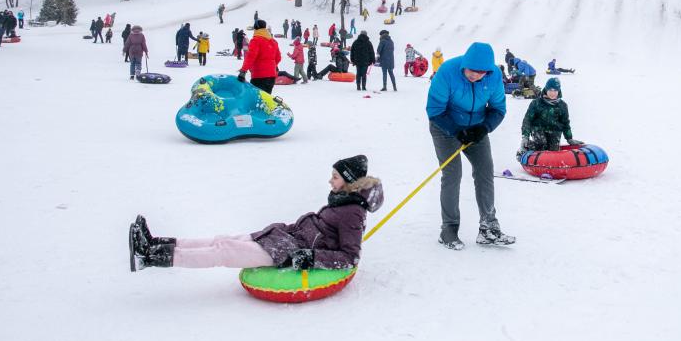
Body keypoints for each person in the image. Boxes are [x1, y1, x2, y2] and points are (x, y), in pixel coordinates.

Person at [129, 156, 383, 272]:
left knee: (223, 251)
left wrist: (311, 257)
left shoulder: (352, 212)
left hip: (287, 251)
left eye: (335, 177)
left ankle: (150, 258)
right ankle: (157, 243)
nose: (330, 181)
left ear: (349, 181)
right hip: (285, 236)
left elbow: (350, 257)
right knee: (223, 239)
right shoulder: (343, 199)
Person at [426, 41, 514, 250]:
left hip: (476, 127)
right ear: (464, 64)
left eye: (480, 72)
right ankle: (449, 229)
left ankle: (488, 227)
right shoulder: (447, 71)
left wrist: (484, 128)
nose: (474, 75)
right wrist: (456, 131)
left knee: (485, 172)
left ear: (488, 71)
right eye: (471, 70)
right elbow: (434, 109)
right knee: (453, 173)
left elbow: (498, 108)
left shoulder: (493, 78)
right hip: (445, 126)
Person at [518, 77, 583, 157]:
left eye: (555, 90)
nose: (552, 93)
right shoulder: (536, 103)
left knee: (553, 152)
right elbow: (527, 120)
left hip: (555, 131)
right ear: (546, 89)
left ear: (558, 91)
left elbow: (565, 123)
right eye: (550, 90)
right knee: (542, 146)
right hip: (539, 130)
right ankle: (526, 147)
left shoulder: (562, 105)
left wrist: (569, 138)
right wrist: (525, 136)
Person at [238, 20, 281, 93]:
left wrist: (243, 70)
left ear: (256, 28)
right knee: (266, 99)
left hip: (259, 76)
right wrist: (272, 66)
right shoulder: (273, 41)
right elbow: (278, 58)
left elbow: (250, 57)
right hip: (271, 76)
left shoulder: (256, 40)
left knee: (257, 100)